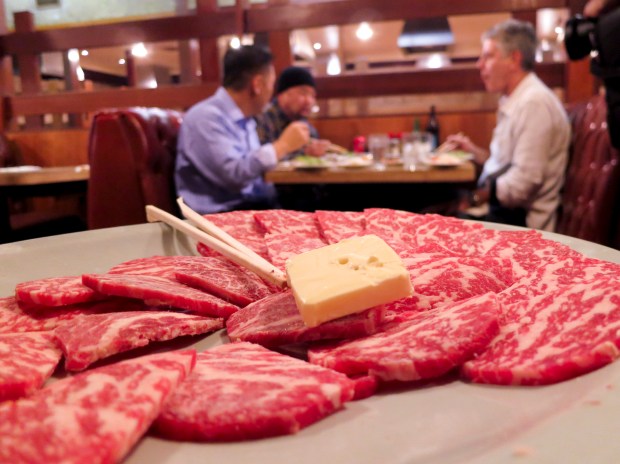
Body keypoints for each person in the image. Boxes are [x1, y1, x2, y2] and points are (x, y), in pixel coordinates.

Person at [445, 19, 570, 231]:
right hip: (503, 213)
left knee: (424, 213)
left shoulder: (534, 103)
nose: (479, 64)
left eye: (488, 56)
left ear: (514, 59)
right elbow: (506, 163)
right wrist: (473, 151)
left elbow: (523, 184)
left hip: (521, 226)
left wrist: (476, 196)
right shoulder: (518, 99)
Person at [175, 45, 310, 214]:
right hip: (221, 218)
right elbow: (234, 176)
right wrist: (282, 145)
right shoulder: (205, 118)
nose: (271, 93)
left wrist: (293, 149)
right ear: (258, 85)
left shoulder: (246, 119)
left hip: (252, 207)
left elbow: (250, 166)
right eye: (271, 84)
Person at [255, 66, 330, 158]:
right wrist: (304, 153)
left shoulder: (307, 127)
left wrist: (317, 150)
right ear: (283, 95)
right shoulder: (261, 119)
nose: (309, 101)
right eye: (303, 93)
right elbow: (258, 160)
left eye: (312, 96)